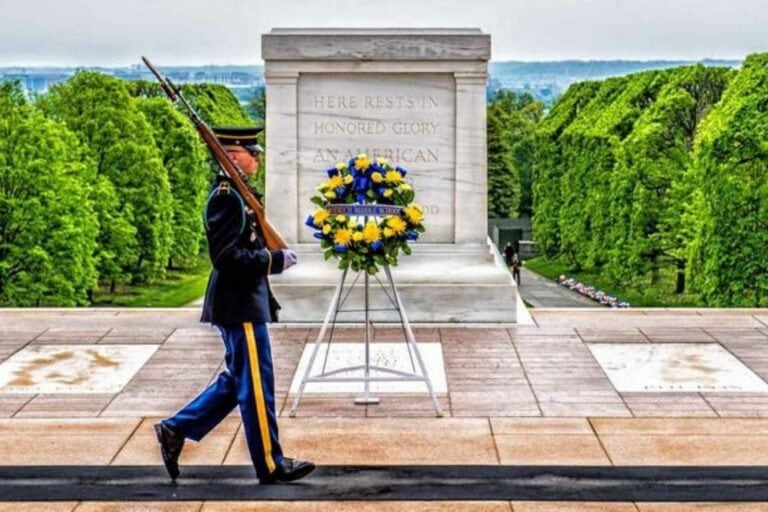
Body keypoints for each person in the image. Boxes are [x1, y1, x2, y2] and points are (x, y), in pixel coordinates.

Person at [154, 126, 315, 485]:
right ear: (232, 156)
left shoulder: (237, 195)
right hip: (239, 304)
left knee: (238, 379)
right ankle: (271, 464)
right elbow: (225, 257)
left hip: (242, 301)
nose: (257, 158)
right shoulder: (227, 197)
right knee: (257, 383)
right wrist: (272, 260)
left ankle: (175, 429)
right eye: (251, 153)